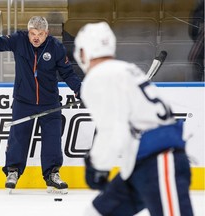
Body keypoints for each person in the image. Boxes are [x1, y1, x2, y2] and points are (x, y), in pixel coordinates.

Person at [74, 22, 193, 216]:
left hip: (160, 162)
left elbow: (112, 130)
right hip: (139, 164)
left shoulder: (98, 77)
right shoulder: (127, 69)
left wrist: (97, 165)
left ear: (84, 52)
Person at [0, 16, 81, 194]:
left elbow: (68, 73)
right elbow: (1, 42)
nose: (36, 37)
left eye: (40, 34)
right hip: (23, 100)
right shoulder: (19, 40)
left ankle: (52, 173)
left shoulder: (56, 47)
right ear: (28, 32)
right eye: (33, 33)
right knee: (18, 137)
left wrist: (79, 89)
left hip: (49, 102)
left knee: (52, 139)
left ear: (47, 33)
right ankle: (13, 171)